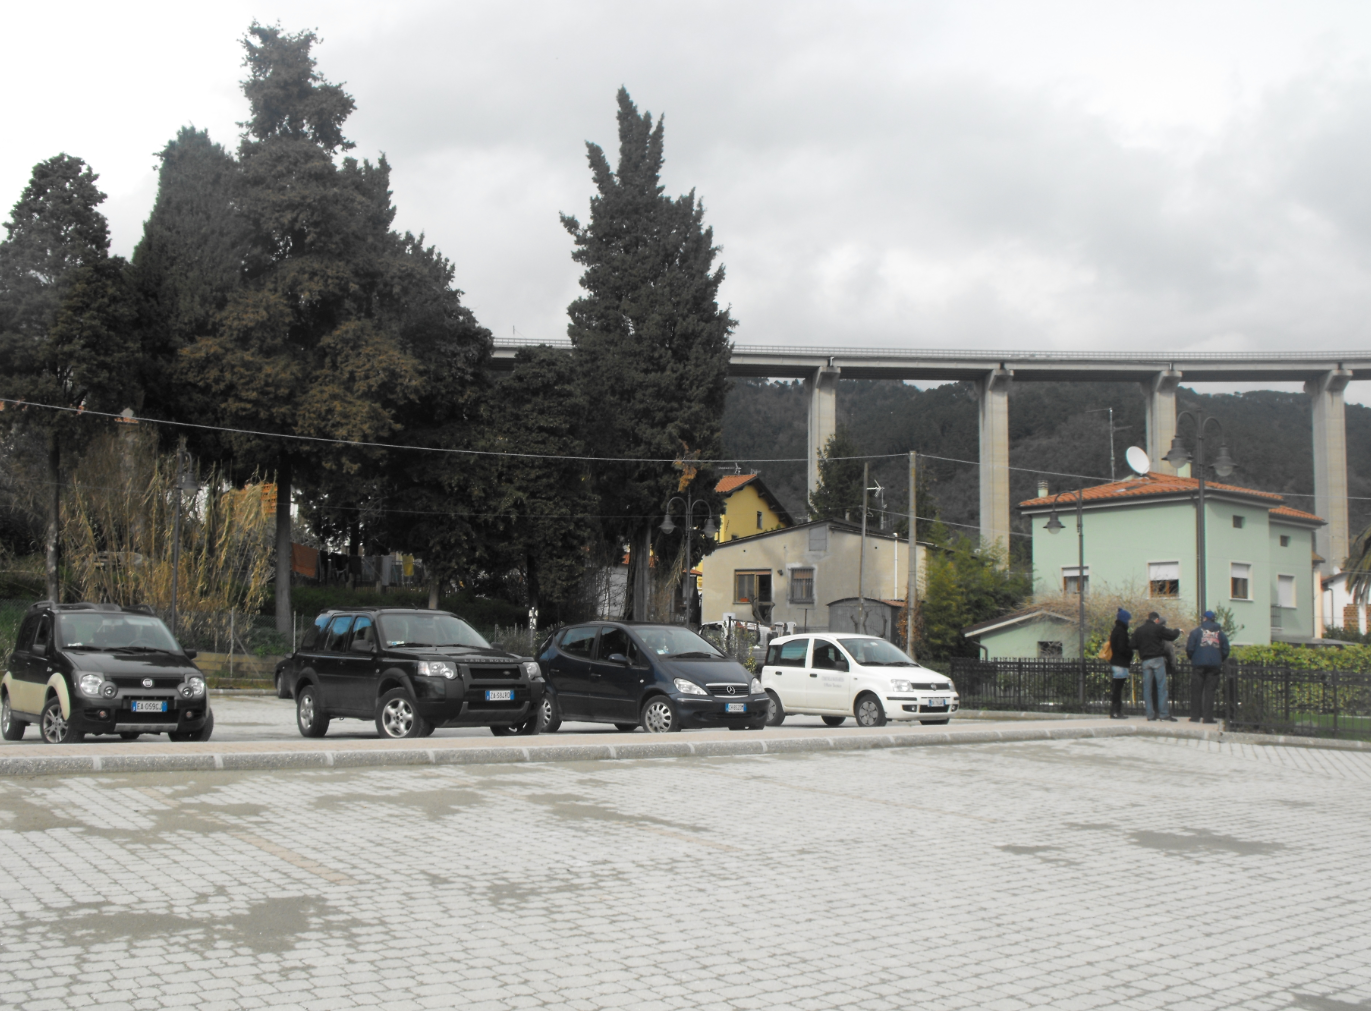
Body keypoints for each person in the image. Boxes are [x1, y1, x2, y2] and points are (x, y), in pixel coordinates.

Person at [1130, 612, 1182, 722]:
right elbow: (1171, 635)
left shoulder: (1139, 630)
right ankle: (1163, 714)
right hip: (1157, 659)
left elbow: (1132, 644)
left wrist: (1143, 646)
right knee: (1161, 687)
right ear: (1157, 620)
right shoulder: (1157, 628)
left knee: (1147, 689)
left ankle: (1150, 714)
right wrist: (1178, 630)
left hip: (1145, 661)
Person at [1185, 610, 1230, 724]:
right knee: (1210, 692)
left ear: (1205, 619)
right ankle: (1208, 718)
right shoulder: (1221, 634)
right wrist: (1219, 659)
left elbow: (1190, 648)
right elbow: (1225, 650)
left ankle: (1195, 717)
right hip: (1214, 666)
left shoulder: (1196, 632)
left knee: (1196, 691)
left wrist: (1194, 658)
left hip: (1199, 665)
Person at [1107, 609, 1134, 719]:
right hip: (1121, 663)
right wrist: (1130, 652)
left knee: (1116, 687)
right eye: (1128, 620)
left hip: (1116, 662)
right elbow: (1122, 648)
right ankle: (1116, 711)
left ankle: (1115, 711)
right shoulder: (1121, 631)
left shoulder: (1116, 630)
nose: (1129, 622)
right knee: (1118, 688)